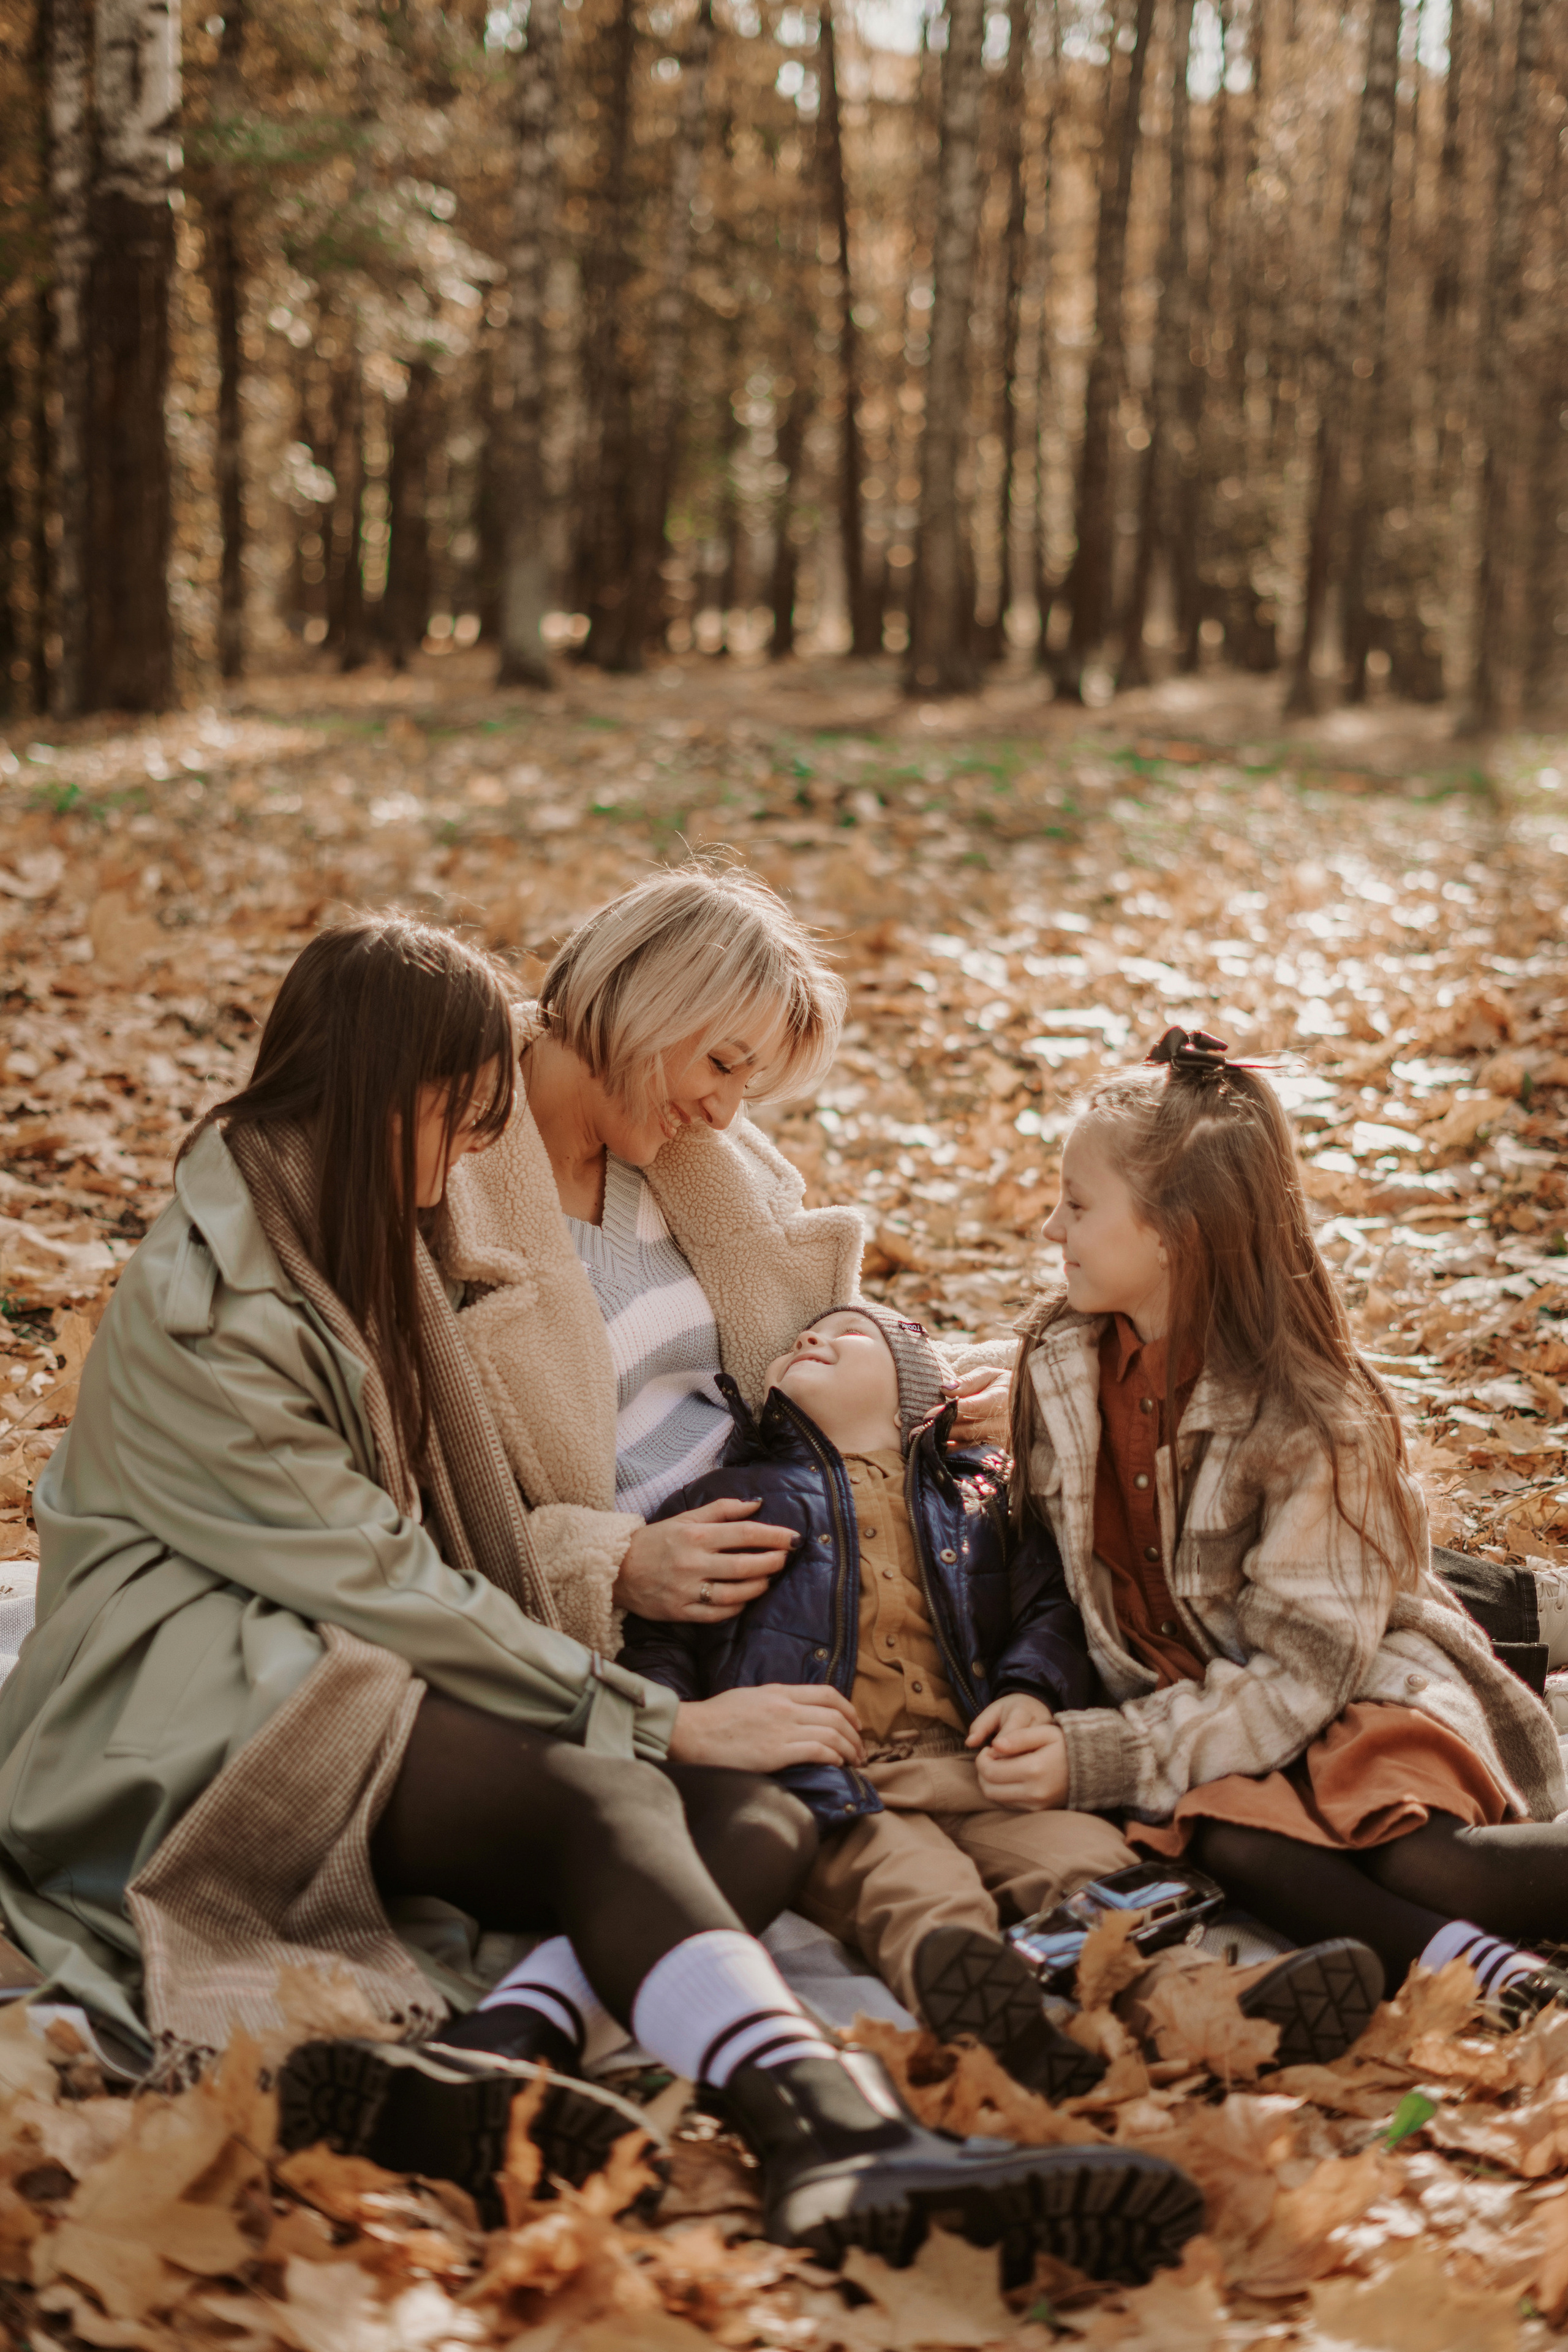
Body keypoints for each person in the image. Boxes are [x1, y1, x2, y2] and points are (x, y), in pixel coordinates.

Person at [0, 918, 1204, 2282]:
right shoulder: (223, 1300)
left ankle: (488, 2062)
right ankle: (826, 2133)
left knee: (751, 1822)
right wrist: (649, 1718)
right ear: (376, 1095)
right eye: (456, 1124)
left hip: (327, 1651)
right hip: (188, 1702)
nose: (468, 1165)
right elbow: (375, 1574)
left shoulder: (347, 1203)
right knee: (616, 1794)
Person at [984, 1024, 1568, 2075]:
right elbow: (1049, 1568)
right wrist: (1039, 1689)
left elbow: (1307, 1671)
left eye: (1077, 1204)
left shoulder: (1312, 1414)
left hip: (1347, 1688)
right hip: (1195, 1712)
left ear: (1172, 1233)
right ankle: (1488, 1975)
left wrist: (1102, 1754)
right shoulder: (1059, 1360)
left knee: (1430, 1862)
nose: (1050, 1224)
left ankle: (1464, 1925)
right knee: (1232, 1838)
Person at [617, 1302, 1371, 2094]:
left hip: (981, 1765)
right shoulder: (731, 1499)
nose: (810, 1337)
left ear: (918, 1391)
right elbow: (663, 1633)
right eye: (800, 1338)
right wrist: (684, 1722)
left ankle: (1207, 2006)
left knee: (1089, 1863)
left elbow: (1046, 1606)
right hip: (835, 1782)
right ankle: (998, 2024)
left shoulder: (983, 1497)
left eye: (850, 1334)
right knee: (915, 1889)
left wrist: (1028, 1692)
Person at [435, 864, 1012, 1768]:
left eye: (751, 1083)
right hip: (652, 1651)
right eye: (720, 1064)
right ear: (640, 1007)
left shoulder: (694, 1154)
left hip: (817, 1562)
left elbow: (825, 1337)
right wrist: (613, 1565)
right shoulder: (446, 1183)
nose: (725, 1108)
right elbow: (425, 1511)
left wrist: (986, 1382)